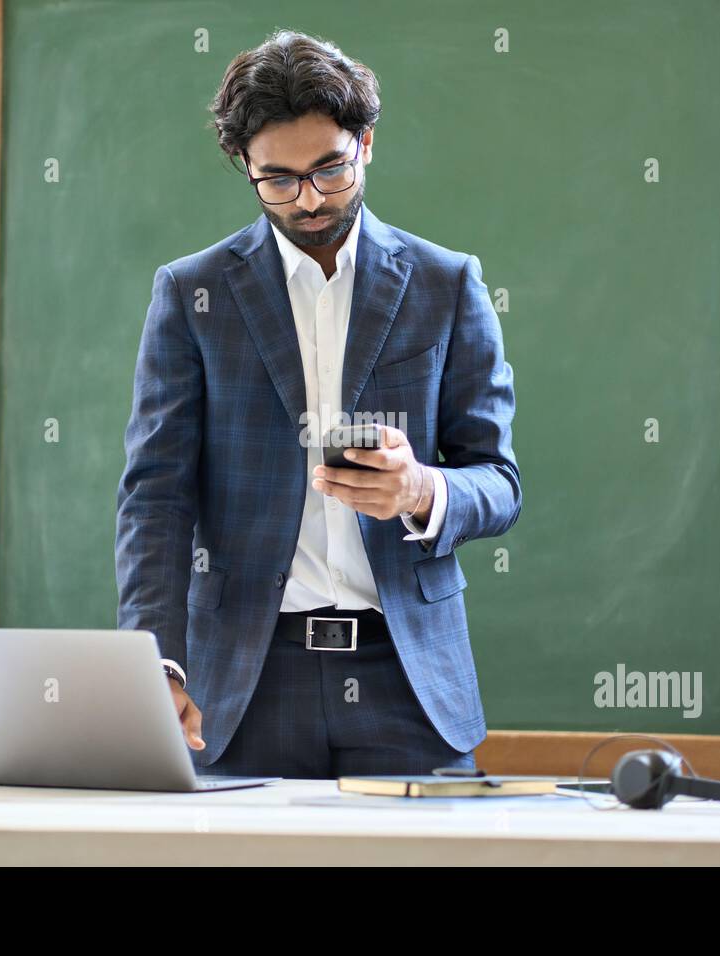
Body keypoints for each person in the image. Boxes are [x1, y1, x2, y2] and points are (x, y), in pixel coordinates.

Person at [116, 29, 520, 778]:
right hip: (242, 683)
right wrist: (156, 661)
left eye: (330, 169)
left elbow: (499, 482)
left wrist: (422, 488)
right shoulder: (191, 295)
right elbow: (155, 498)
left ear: (365, 144)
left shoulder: (447, 284)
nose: (308, 199)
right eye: (278, 179)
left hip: (409, 679)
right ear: (244, 165)